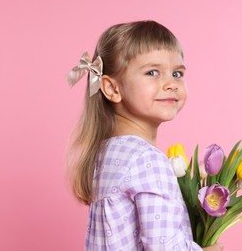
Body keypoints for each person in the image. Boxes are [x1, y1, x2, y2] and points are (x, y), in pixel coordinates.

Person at [66, 20, 223, 251]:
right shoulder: (147, 161)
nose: (171, 83)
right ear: (112, 88)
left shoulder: (106, 153)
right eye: (152, 72)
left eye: (177, 73)